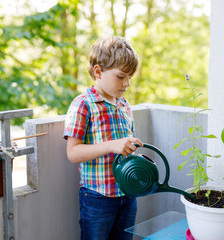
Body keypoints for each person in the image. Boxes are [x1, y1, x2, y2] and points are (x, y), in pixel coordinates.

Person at [63, 36, 143, 240]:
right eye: (121, 76)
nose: (127, 83)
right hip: (98, 197)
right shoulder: (83, 104)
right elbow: (73, 153)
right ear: (98, 72)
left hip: (127, 193)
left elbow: (122, 148)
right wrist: (113, 145)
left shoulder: (124, 104)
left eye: (130, 77)